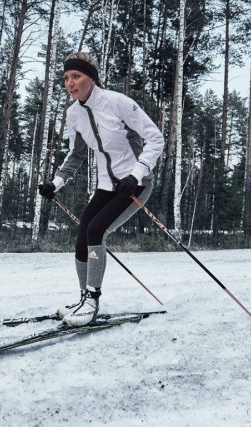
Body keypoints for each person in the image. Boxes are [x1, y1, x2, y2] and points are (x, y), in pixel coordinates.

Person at [38, 52, 165, 327]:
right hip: (106, 186)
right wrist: (55, 183)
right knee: (83, 234)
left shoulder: (117, 102)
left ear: (91, 79)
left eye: (76, 76)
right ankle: (84, 297)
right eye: (66, 78)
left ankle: (93, 300)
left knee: (96, 231)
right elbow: (76, 156)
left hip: (134, 184)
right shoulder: (73, 114)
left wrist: (137, 173)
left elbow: (155, 138)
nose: (70, 83)